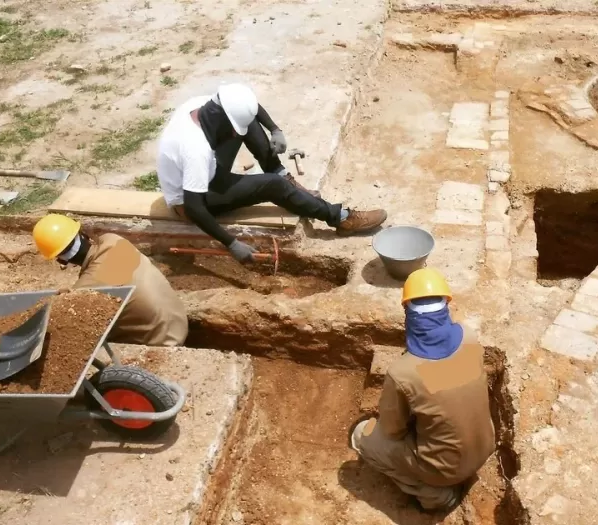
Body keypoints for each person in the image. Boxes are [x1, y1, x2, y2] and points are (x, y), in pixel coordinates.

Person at [155, 83, 388, 263]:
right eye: (232, 130)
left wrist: (274, 129)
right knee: (273, 185)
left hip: (205, 172)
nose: (235, 136)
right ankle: (341, 218)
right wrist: (231, 243)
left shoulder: (204, 106)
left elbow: (251, 109)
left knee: (248, 124)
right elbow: (194, 207)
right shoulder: (195, 150)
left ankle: (281, 174)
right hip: (192, 203)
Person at [350, 268, 495, 512]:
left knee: (361, 434)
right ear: (446, 306)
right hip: (483, 448)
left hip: (444, 469)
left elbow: (392, 431)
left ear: (408, 313)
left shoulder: (403, 373)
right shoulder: (469, 337)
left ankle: (435, 495)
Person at [32, 214, 188, 346]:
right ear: (82, 233)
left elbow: (69, 325)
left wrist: (67, 299)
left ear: (61, 260)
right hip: (178, 322)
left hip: (162, 342)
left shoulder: (87, 288)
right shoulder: (113, 240)